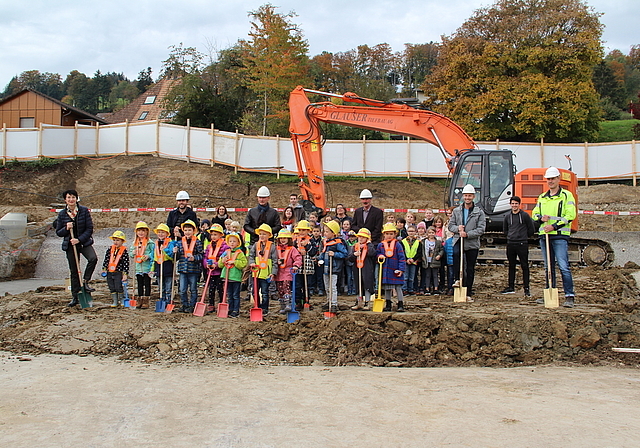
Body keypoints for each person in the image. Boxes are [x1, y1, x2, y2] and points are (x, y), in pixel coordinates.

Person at [532, 167, 577, 307]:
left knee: (563, 266)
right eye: (548, 179)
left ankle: (569, 296)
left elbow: (570, 215)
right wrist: (540, 218)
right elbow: (534, 213)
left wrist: (554, 226)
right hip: (545, 235)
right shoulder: (542, 197)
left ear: (558, 179)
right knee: (548, 267)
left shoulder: (566, 195)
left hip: (559, 235)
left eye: (552, 179)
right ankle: (549, 292)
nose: (550, 181)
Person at [56, 189, 98, 307]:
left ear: (76, 198)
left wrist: (79, 239)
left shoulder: (83, 211)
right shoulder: (62, 214)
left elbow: (89, 228)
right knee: (74, 271)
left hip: (83, 243)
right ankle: (75, 296)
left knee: (93, 258)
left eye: (73, 197)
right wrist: (66, 228)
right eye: (69, 197)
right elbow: (58, 232)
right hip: (70, 245)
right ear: (65, 200)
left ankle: (85, 281)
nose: (71, 199)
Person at [449, 184, 486, 302]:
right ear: (463, 196)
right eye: (465, 195)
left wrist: (468, 234)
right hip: (458, 240)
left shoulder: (479, 212)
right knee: (455, 256)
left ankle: (468, 291)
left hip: (472, 243)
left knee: (470, 268)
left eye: (469, 195)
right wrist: (458, 229)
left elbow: (481, 229)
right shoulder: (456, 211)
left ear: (473, 196)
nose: (467, 198)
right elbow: (451, 225)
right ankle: (457, 280)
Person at [501, 196, 535, 297]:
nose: (514, 205)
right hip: (511, 244)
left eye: (516, 203)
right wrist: (511, 236)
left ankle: (526, 288)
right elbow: (505, 230)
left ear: (519, 204)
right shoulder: (507, 217)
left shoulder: (524, 216)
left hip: (522, 244)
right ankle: (511, 287)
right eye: (513, 203)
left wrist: (523, 237)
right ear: (510, 204)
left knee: (524, 266)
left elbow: (531, 229)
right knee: (511, 265)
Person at [248, 223, 278, 316]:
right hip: (256, 273)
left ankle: (265, 308)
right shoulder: (256, 245)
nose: (262, 236)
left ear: (269, 235)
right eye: (260, 234)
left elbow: (275, 261)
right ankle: (257, 305)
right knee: (254, 291)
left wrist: (273, 273)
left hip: (266, 274)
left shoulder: (272, 246)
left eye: (264, 234)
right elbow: (251, 255)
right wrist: (251, 263)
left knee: (265, 292)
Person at [318, 220, 348, 312]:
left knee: (332, 287)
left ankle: (334, 303)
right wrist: (320, 259)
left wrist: (334, 254)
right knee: (327, 286)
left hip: (334, 268)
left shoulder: (338, 242)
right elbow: (323, 253)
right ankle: (328, 301)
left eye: (327, 231)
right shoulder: (325, 242)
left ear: (333, 233)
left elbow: (344, 254)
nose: (325, 233)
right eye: (324, 231)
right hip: (326, 268)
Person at [174, 220, 203, 313]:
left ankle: (192, 305)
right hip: (182, 269)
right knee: (182, 289)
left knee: (193, 289)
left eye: (189, 230)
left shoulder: (197, 242)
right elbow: (176, 257)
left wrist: (194, 258)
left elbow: (202, 255)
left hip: (193, 270)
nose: (187, 232)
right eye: (185, 230)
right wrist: (175, 252)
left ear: (193, 230)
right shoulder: (179, 242)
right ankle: (184, 304)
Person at [377, 222, 407, 312]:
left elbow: (402, 257)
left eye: (391, 234)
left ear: (395, 234)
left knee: (398, 287)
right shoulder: (381, 245)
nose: (389, 236)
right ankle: (388, 304)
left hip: (396, 269)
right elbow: (378, 254)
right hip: (386, 270)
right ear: (384, 234)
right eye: (387, 234)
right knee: (387, 288)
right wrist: (379, 256)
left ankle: (400, 304)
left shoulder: (398, 245)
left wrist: (401, 269)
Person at [273, 229, 302, 313]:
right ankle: (282, 306)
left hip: (288, 272)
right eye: (281, 238)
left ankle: (288, 304)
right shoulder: (276, 248)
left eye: (285, 238)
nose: (283, 240)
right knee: (280, 289)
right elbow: (272, 258)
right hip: (278, 273)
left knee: (286, 288)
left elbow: (298, 258)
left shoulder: (292, 249)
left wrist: (296, 266)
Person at [219, 232, 248, 317]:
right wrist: (222, 260)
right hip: (227, 277)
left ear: (238, 243)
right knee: (229, 294)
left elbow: (244, 264)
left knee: (235, 295)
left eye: (234, 241)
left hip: (235, 277)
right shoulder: (226, 252)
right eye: (230, 241)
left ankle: (236, 310)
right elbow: (220, 264)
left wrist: (234, 262)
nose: (232, 243)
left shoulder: (240, 253)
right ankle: (230, 309)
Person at [203, 224, 229, 312]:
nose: (213, 237)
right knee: (211, 288)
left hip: (220, 271)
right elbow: (205, 257)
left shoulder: (225, 246)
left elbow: (225, 257)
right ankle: (211, 304)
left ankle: (221, 302)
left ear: (221, 235)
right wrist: (206, 264)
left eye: (215, 235)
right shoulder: (209, 246)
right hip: (210, 271)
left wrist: (217, 265)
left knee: (220, 288)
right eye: (212, 235)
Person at [348, 228, 377, 310]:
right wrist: (354, 254)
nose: (360, 239)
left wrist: (369, 244)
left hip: (367, 268)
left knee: (367, 284)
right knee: (358, 284)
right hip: (357, 268)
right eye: (359, 237)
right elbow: (349, 258)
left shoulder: (369, 246)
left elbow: (372, 253)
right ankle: (358, 301)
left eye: (363, 237)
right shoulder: (355, 246)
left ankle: (367, 302)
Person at [130, 221, 155, 309]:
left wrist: (148, 256)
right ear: (136, 232)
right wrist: (132, 253)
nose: (141, 233)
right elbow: (130, 253)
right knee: (139, 284)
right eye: (139, 231)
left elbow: (153, 253)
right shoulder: (135, 243)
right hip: (138, 267)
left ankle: (146, 299)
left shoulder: (150, 243)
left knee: (147, 283)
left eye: (143, 231)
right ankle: (139, 298)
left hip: (146, 267)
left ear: (146, 232)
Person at [293, 220, 318, 309]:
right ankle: (298, 301)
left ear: (308, 231)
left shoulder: (311, 240)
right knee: (297, 286)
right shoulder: (295, 241)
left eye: (304, 230)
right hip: (298, 267)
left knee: (307, 286)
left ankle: (306, 300)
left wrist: (307, 246)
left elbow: (313, 252)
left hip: (308, 268)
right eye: (300, 230)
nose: (301, 232)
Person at [102, 230, 129, 308]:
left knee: (118, 287)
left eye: (118, 240)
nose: (115, 242)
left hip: (118, 272)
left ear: (122, 241)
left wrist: (125, 274)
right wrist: (104, 269)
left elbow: (126, 264)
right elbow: (106, 260)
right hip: (110, 271)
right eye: (114, 240)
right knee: (111, 286)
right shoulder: (110, 249)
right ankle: (115, 301)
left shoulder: (124, 251)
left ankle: (122, 299)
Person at [152, 223, 174, 305]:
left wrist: (165, 250)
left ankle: (168, 301)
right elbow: (153, 256)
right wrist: (152, 269)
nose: (161, 234)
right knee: (161, 287)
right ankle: (162, 300)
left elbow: (172, 256)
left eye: (163, 232)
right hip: (158, 266)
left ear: (167, 234)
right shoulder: (156, 243)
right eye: (159, 232)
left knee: (168, 286)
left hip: (167, 266)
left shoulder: (170, 243)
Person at [421, 226, 444, 295]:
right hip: (427, 261)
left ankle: (436, 288)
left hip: (435, 261)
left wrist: (439, 255)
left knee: (435, 275)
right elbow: (421, 250)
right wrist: (422, 257)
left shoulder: (438, 242)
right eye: (429, 233)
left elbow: (441, 250)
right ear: (427, 233)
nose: (431, 234)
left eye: (432, 232)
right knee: (427, 275)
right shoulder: (424, 241)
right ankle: (427, 288)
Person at [401, 225, 422, 295]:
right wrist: (406, 259)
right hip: (405, 261)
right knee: (405, 276)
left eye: (412, 231)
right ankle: (404, 289)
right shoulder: (402, 242)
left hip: (413, 261)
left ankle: (410, 289)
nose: (411, 233)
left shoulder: (418, 242)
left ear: (415, 232)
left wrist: (413, 259)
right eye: (409, 231)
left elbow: (419, 252)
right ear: (407, 232)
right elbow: (402, 251)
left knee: (412, 277)